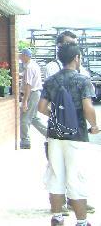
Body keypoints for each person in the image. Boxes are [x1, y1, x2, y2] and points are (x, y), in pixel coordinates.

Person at [38, 43, 99, 226]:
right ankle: (81, 222)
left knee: (56, 176)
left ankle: (57, 218)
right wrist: (94, 126)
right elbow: (88, 108)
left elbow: (41, 107)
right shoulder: (83, 80)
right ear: (76, 58)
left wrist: (58, 117)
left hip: (55, 135)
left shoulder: (51, 80)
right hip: (77, 136)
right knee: (76, 178)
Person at [19, 48, 47, 149]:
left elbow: (28, 86)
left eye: (22, 55)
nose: (20, 57)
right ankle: (49, 134)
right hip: (36, 93)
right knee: (34, 118)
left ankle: (25, 141)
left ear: (26, 56)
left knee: (24, 119)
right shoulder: (33, 65)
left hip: (32, 94)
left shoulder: (29, 67)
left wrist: (25, 101)